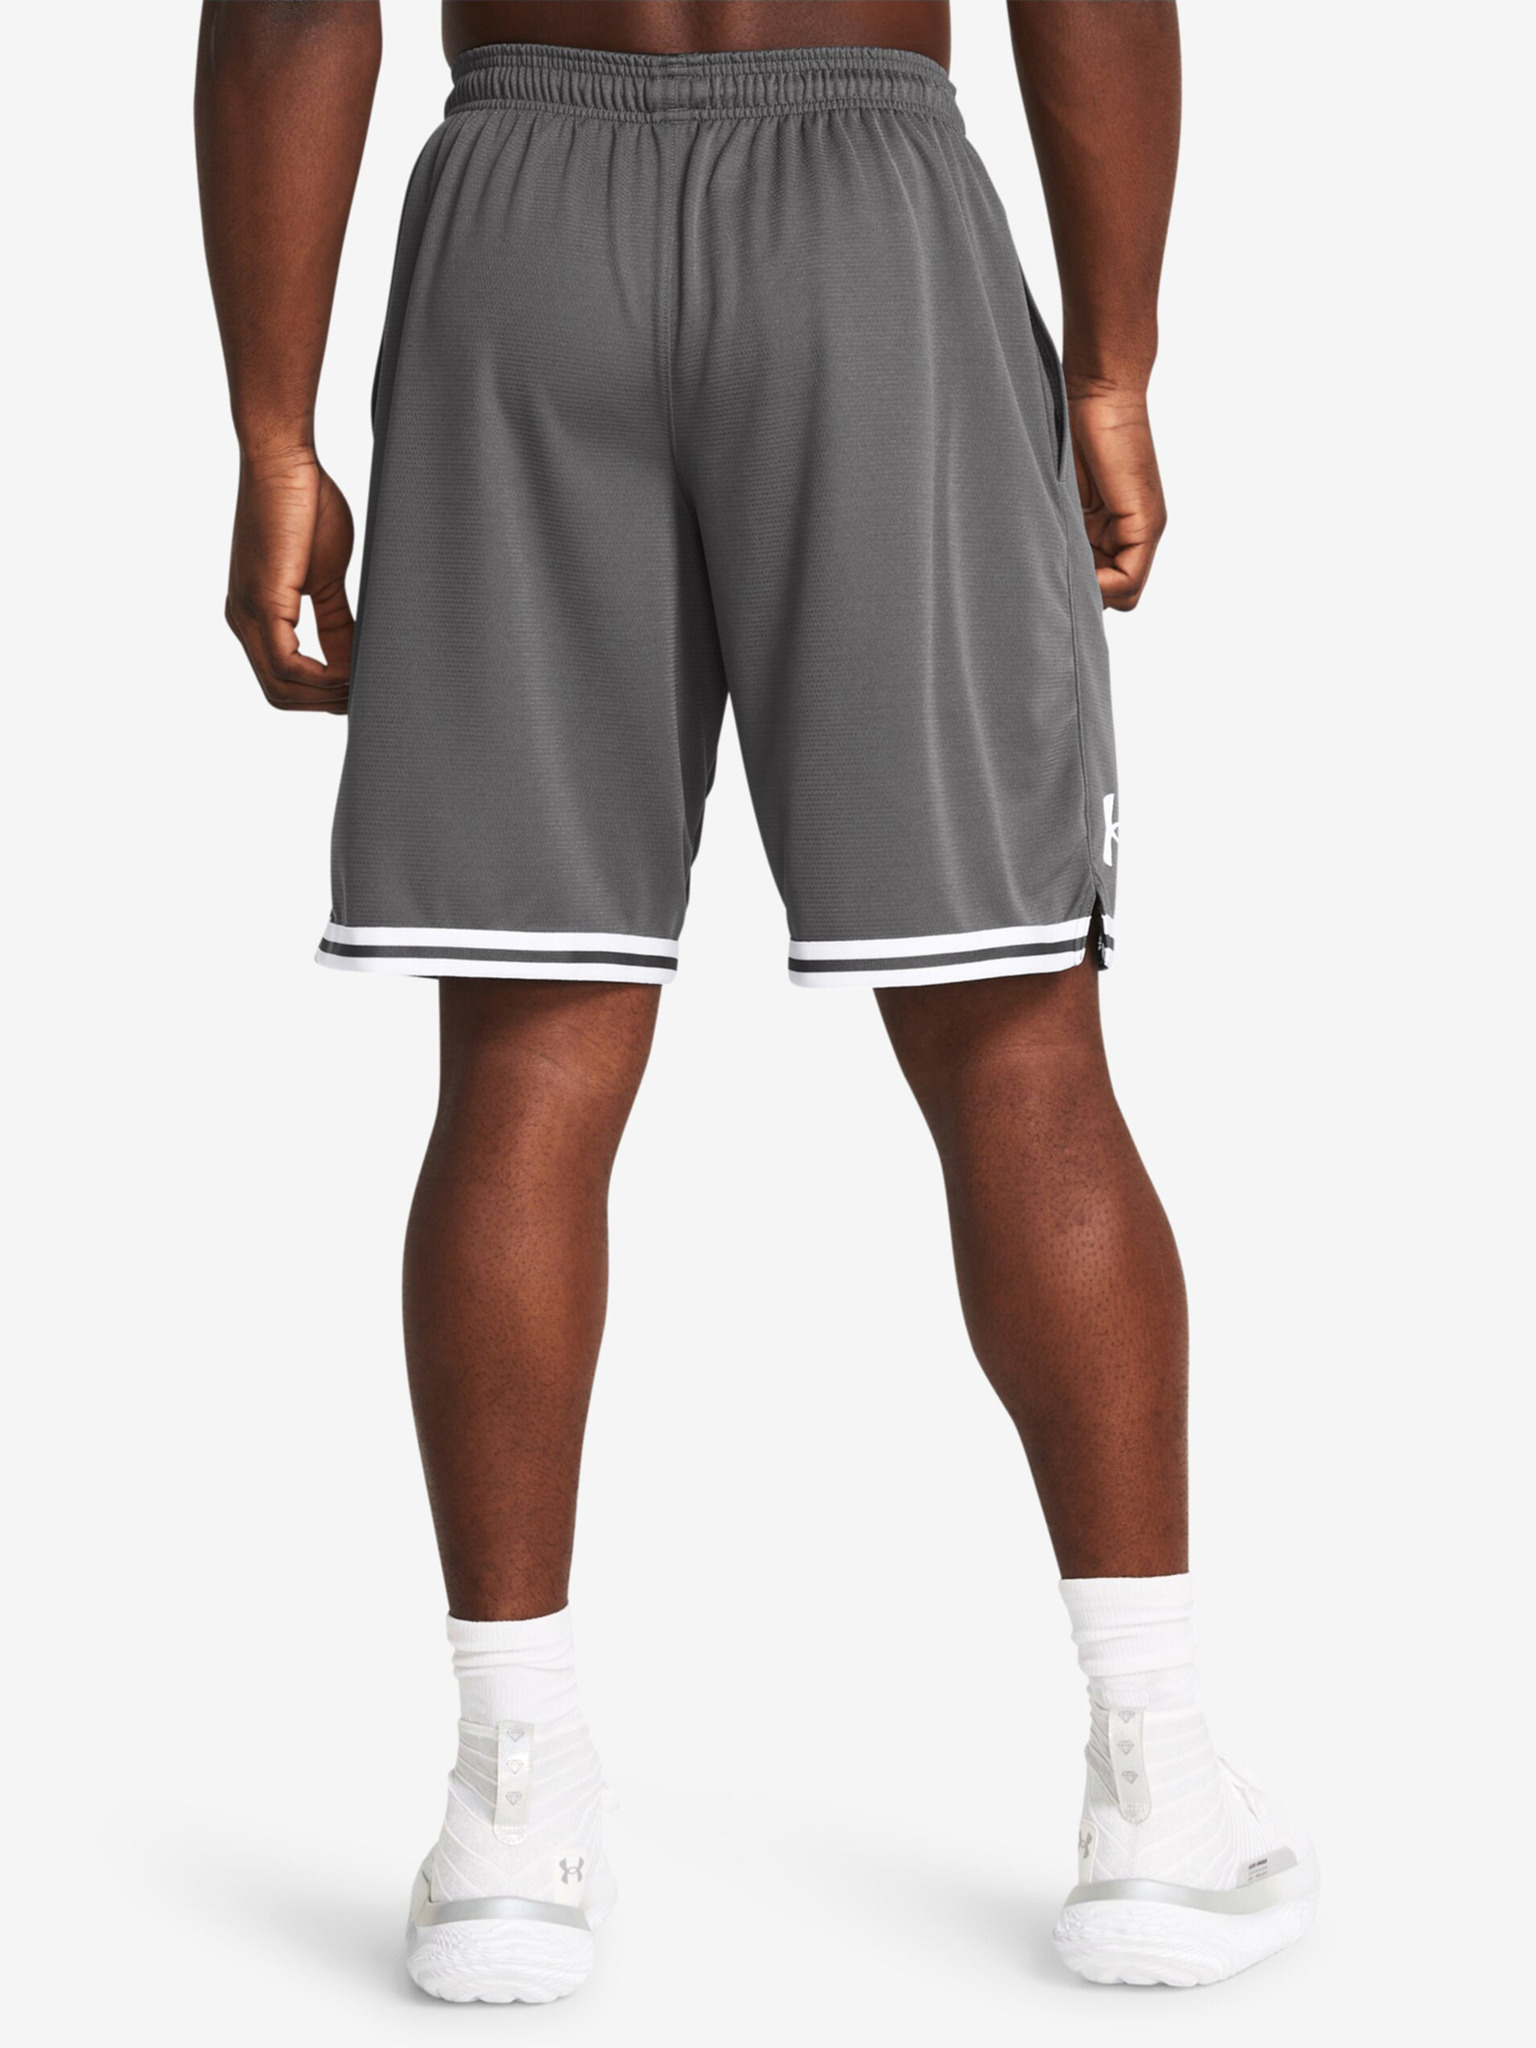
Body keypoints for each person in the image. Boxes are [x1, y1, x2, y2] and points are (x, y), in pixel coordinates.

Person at [196, 0, 1315, 2002]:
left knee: (528, 1050)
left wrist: (273, 433)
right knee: (1016, 1038)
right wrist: (1115, 360)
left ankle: (509, 1812)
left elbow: (288, 10)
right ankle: (1159, 1785)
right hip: (868, 224)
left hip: (521, 222)